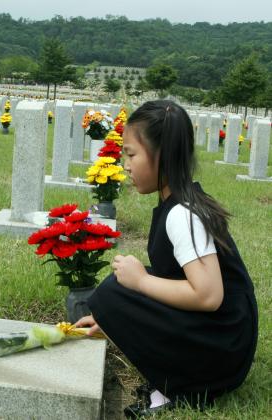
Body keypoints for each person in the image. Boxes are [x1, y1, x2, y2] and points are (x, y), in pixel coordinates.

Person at [76, 100, 258, 418]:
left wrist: (141, 282)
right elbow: (176, 280)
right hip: (222, 339)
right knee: (120, 289)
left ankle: (180, 386)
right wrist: (112, 319)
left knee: (117, 290)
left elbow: (209, 295)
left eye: (132, 154)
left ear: (161, 155)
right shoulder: (180, 203)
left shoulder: (183, 215)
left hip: (222, 351)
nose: (126, 165)